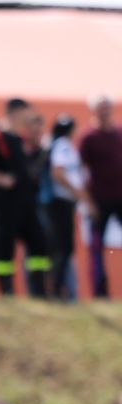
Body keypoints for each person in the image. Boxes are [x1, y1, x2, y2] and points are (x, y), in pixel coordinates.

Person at [0, 100, 52, 297]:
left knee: (39, 241)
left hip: (27, 206)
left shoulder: (20, 139)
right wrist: (1, 179)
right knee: (4, 251)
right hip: (5, 207)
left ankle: (39, 292)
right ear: (16, 113)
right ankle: (6, 293)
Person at [80, 96, 122, 298]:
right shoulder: (88, 137)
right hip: (100, 200)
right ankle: (100, 293)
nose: (104, 112)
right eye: (101, 108)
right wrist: (88, 202)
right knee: (97, 247)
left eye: (107, 108)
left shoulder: (119, 133)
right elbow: (82, 171)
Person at [46, 114, 89, 302]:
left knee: (64, 247)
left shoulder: (59, 144)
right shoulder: (62, 145)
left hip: (63, 202)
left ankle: (59, 289)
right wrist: (76, 191)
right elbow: (58, 172)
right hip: (61, 202)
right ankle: (57, 290)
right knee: (63, 247)